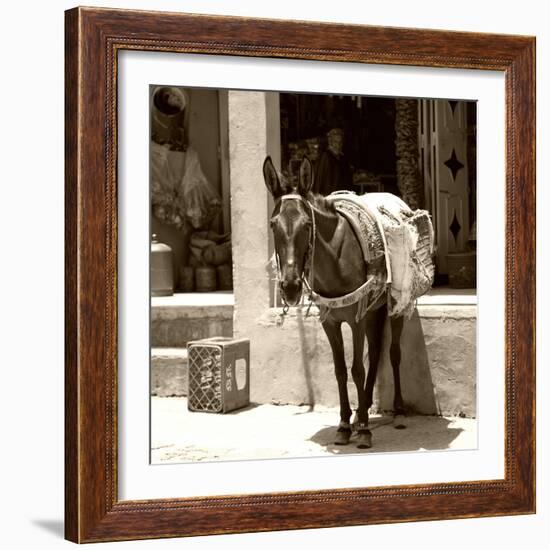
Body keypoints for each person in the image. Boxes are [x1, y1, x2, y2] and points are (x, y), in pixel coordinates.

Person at [313, 128, 353, 196]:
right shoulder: (325, 157)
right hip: (329, 197)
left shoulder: (342, 158)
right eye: (335, 142)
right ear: (330, 142)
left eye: (340, 142)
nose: (338, 145)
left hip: (342, 196)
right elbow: (320, 180)